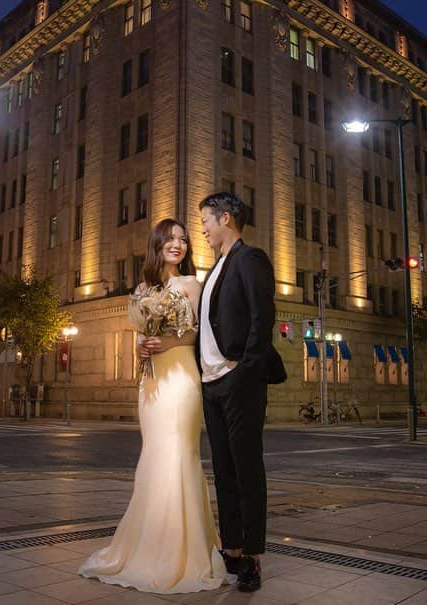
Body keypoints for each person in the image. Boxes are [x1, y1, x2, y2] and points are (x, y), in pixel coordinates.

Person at [78, 218, 229, 594]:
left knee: (179, 454)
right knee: (155, 456)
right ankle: (149, 545)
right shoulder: (145, 289)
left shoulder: (193, 284)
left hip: (181, 377)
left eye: (183, 239)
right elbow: (143, 336)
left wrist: (168, 343)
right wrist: (141, 345)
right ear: (157, 245)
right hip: (151, 381)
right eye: (170, 239)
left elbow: (199, 333)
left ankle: (186, 550)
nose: (177, 245)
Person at [196, 192, 286, 592]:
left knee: (247, 469)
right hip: (211, 384)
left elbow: (261, 315)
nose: (203, 228)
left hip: (238, 379)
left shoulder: (250, 259)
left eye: (206, 221)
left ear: (226, 218)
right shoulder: (215, 268)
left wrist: (247, 369)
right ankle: (231, 548)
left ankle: (251, 556)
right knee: (224, 471)